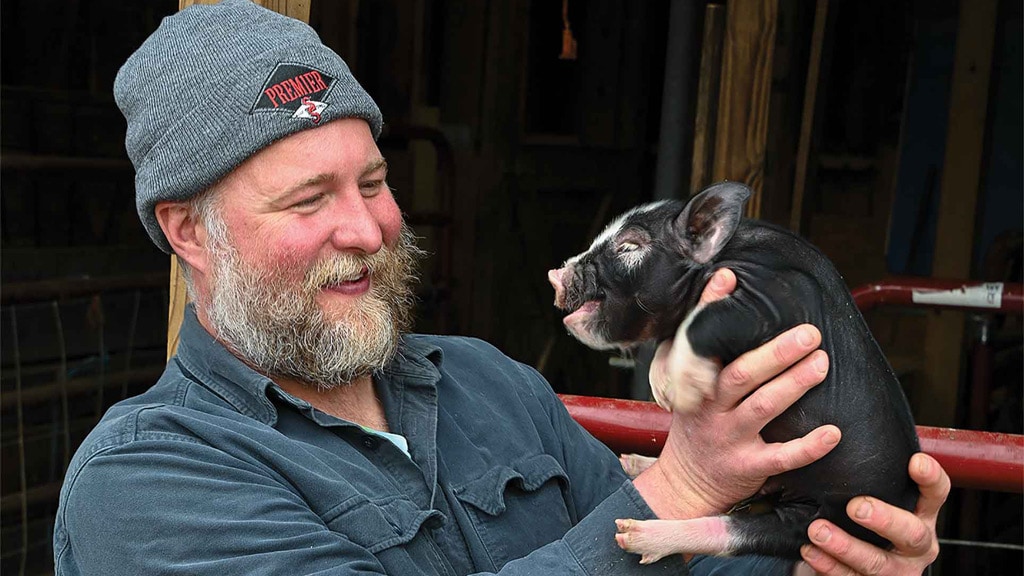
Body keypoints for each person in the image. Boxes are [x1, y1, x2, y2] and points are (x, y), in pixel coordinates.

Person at [53, 2, 949, 575]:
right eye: (307, 200)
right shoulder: (146, 481)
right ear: (187, 234)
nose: (366, 227)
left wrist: (833, 555)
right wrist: (677, 490)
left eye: (371, 183)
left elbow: (679, 569)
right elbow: (659, 513)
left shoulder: (493, 386)